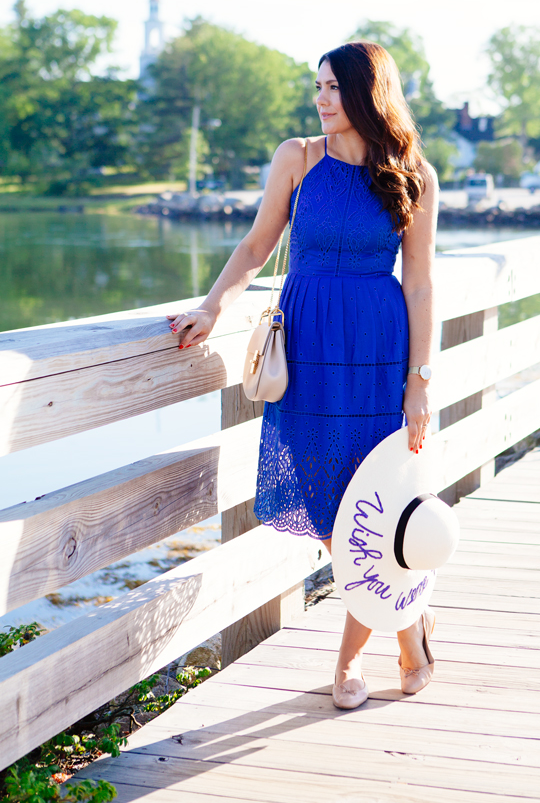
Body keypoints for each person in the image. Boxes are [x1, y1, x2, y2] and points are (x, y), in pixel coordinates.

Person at [167, 41, 439, 709]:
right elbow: (258, 244)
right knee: (327, 507)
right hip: (309, 354)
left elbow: (423, 283)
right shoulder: (298, 158)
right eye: (316, 87)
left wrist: (420, 380)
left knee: (370, 504)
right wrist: (211, 306)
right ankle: (410, 629)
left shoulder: (413, 174)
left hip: (377, 351)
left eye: (333, 88)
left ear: (367, 94)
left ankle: (347, 664)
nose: (320, 100)